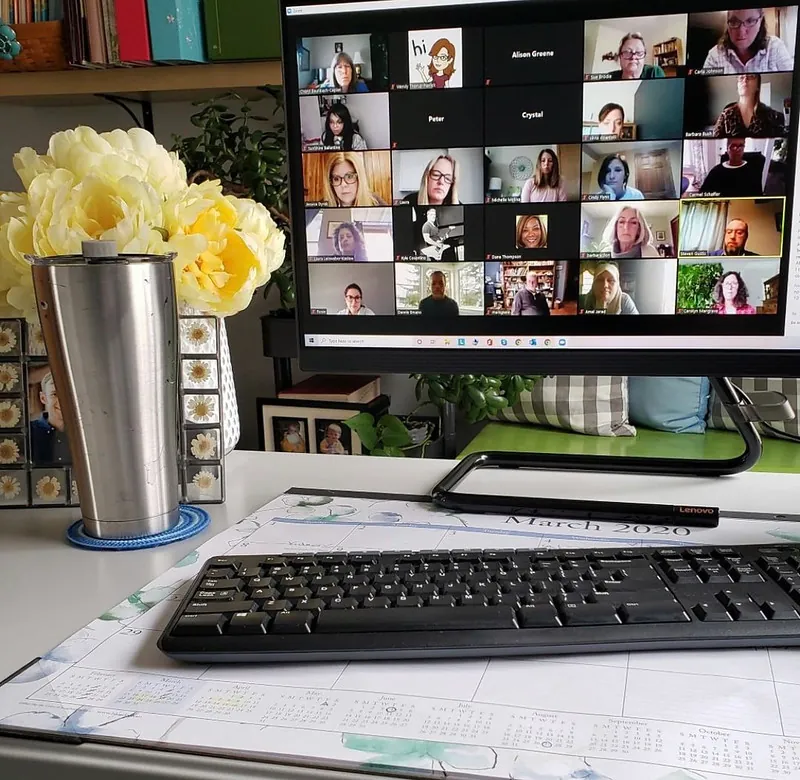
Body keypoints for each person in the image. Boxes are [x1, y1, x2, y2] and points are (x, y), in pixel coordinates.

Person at [702, 8, 794, 74]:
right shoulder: (714, 55)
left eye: (750, 21)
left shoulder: (775, 47)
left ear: (760, 20)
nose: (741, 31)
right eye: (734, 22)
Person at [713, 73, 786, 137]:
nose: (745, 79)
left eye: (751, 75)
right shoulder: (726, 115)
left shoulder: (771, 116)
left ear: (758, 86)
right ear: (737, 87)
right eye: (741, 77)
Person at [30, 371, 71, 466]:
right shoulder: (28, 433)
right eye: (54, 394)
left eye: (67, 394)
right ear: (43, 398)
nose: (62, 400)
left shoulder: (87, 432)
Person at [699, 138, 764, 196]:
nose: (737, 149)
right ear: (727, 149)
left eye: (741, 146)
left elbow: (758, 195)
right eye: (733, 146)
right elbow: (703, 193)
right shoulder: (716, 171)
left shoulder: (753, 170)